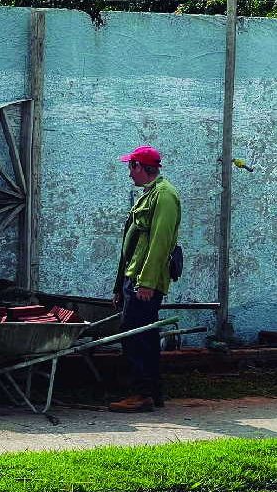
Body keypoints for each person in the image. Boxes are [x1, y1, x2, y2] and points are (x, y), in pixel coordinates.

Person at [109, 145, 181, 413]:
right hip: (134, 277)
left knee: (136, 336)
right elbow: (132, 244)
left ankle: (142, 393)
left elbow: (160, 243)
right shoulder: (148, 195)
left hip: (144, 281)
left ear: (140, 167)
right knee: (143, 335)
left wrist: (148, 282)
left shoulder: (164, 196)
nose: (129, 173)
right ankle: (151, 392)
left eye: (131, 167)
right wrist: (120, 285)